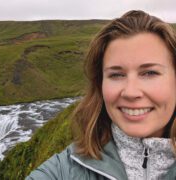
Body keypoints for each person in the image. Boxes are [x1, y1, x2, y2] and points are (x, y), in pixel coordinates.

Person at [26, 10, 176, 180]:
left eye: (149, 73)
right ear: (100, 85)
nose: (131, 92)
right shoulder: (61, 171)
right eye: (116, 75)